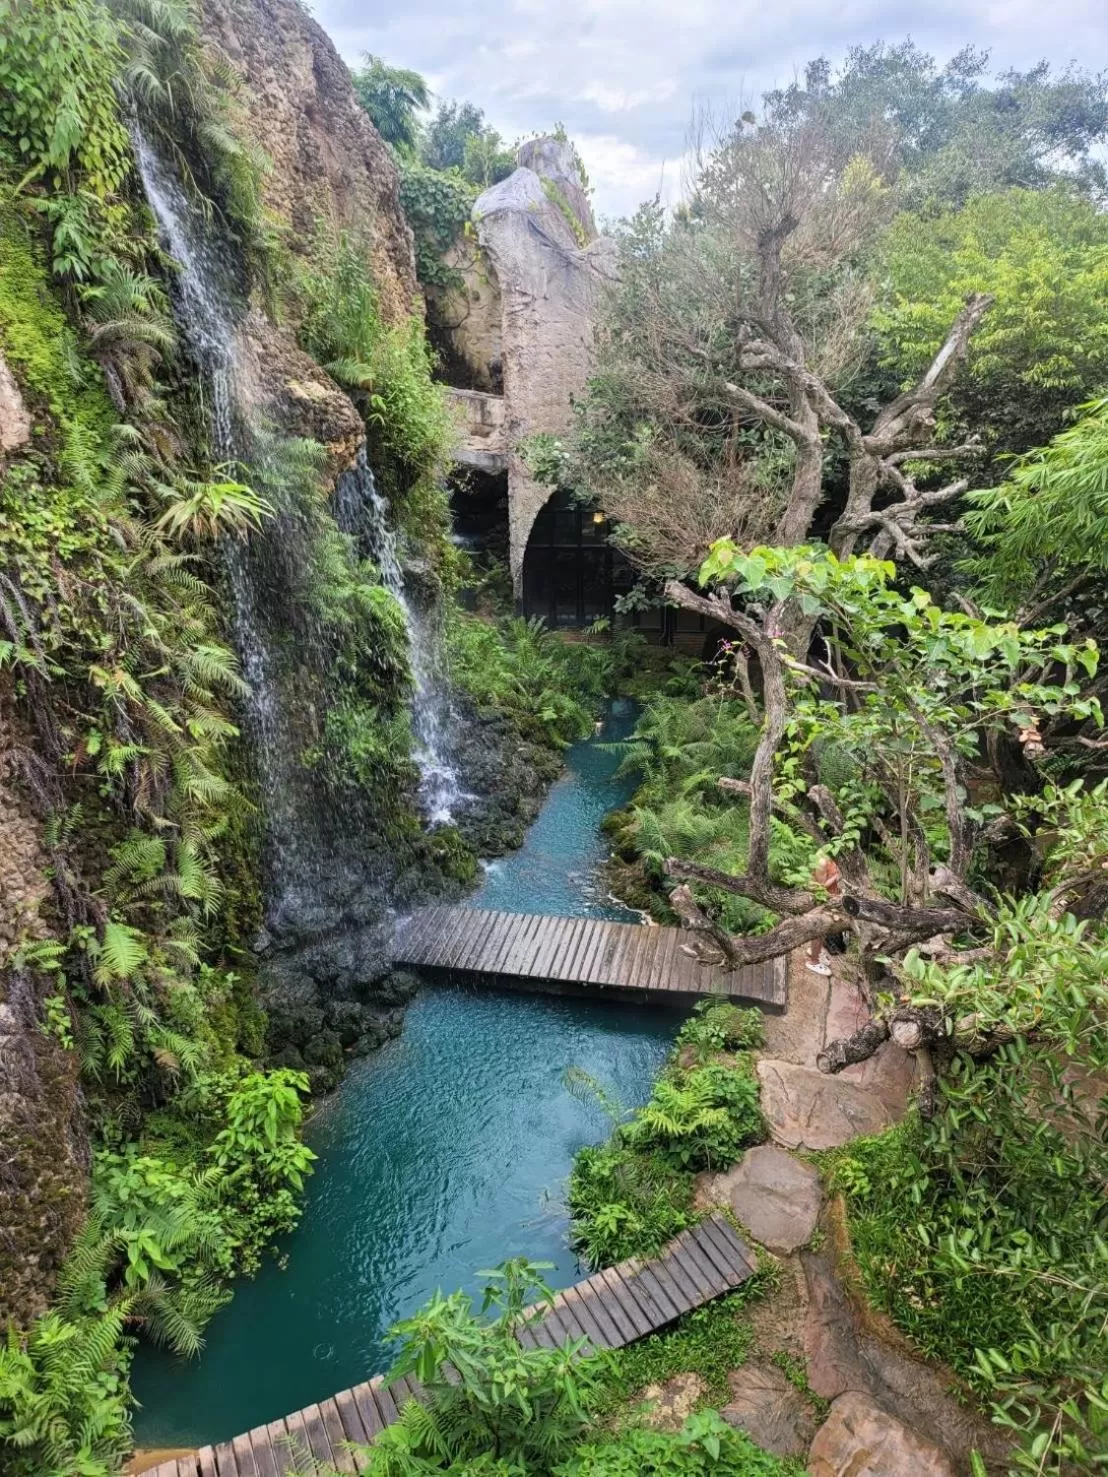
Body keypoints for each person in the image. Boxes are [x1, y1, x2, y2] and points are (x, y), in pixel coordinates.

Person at [806, 854, 841, 976]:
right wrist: (836, 877)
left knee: (823, 930)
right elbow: (819, 888)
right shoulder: (822, 861)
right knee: (818, 930)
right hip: (821, 902)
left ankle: (815, 951)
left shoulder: (835, 858)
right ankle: (813, 962)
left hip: (830, 901)